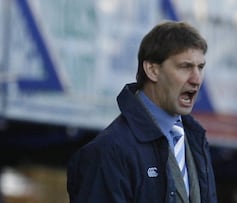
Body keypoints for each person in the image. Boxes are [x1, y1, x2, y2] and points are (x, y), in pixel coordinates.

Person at [67, 21, 217, 203]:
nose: (197, 79)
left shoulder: (195, 141)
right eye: (185, 67)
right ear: (152, 70)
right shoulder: (109, 151)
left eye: (200, 67)